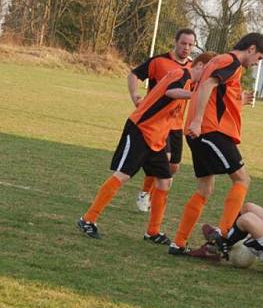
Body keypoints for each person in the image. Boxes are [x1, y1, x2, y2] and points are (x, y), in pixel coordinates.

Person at [77, 52, 216, 242]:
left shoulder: (190, 82)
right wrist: (195, 95)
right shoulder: (181, 74)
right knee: (123, 175)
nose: (208, 79)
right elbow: (171, 92)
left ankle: (152, 231)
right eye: (208, 72)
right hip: (141, 130)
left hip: (157, 137)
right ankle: (88, 219)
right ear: (199, 65)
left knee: (164, 182)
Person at [168, 32, 263, 257]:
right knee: (242, 179)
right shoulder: (231, 62)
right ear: (251, 49)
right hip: (210, 131)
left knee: (205, 189)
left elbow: (214, 91)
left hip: (200, 131)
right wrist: (197, 120)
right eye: (260, 57)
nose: (257, 63)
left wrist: (239, 100)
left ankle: (178, 243)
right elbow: (206, 87)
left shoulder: (221, 62)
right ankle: (224, 237)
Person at [128, 28, 196, 212]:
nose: (186, 48)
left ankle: (150, 193)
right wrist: (135, 95)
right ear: (175, 41)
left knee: (173, 167)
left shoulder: (193, 68)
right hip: (157, 122)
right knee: (163, 163)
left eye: (190, 44)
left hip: (177, 125)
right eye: (183, 43)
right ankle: (145, 194)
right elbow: (134, 75)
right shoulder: (159, 61)